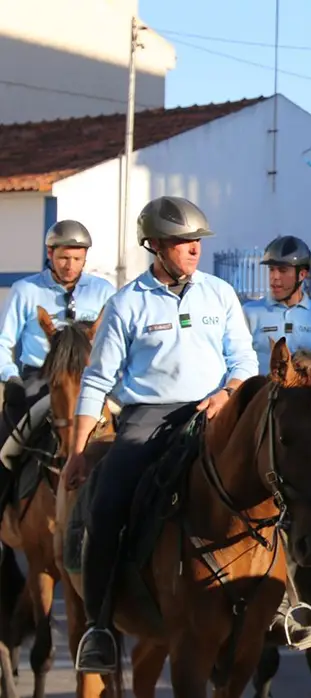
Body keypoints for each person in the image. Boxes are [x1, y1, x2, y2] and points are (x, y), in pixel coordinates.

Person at [65, 195, 259, 675]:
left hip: (215, 410)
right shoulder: (126, 302)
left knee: (273, 482)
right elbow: (96, 379)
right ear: (154, 245)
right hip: (147, 419)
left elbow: (245, 361)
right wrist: (77, 451)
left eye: (196, 241)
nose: (194, 249)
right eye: (182, 242)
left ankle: (283, 604)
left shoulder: (220, 293)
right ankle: (99, 625)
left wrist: (228, 394)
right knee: (106, 504)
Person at [0, 221, 115, 481]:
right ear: (49, 254)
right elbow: (2, 341)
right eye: (63, 257)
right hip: (40, 380)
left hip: (91, 380)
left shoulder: (103, 291)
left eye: (77, 258)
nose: (70, 265)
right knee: (7, 443)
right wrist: (11, 377)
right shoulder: (25, 290)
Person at [242, 235, 311, 374]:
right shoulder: (248, 313)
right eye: (271, 269)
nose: (274, 277)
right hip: (262, 393)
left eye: (282, 270)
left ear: (302, 274)